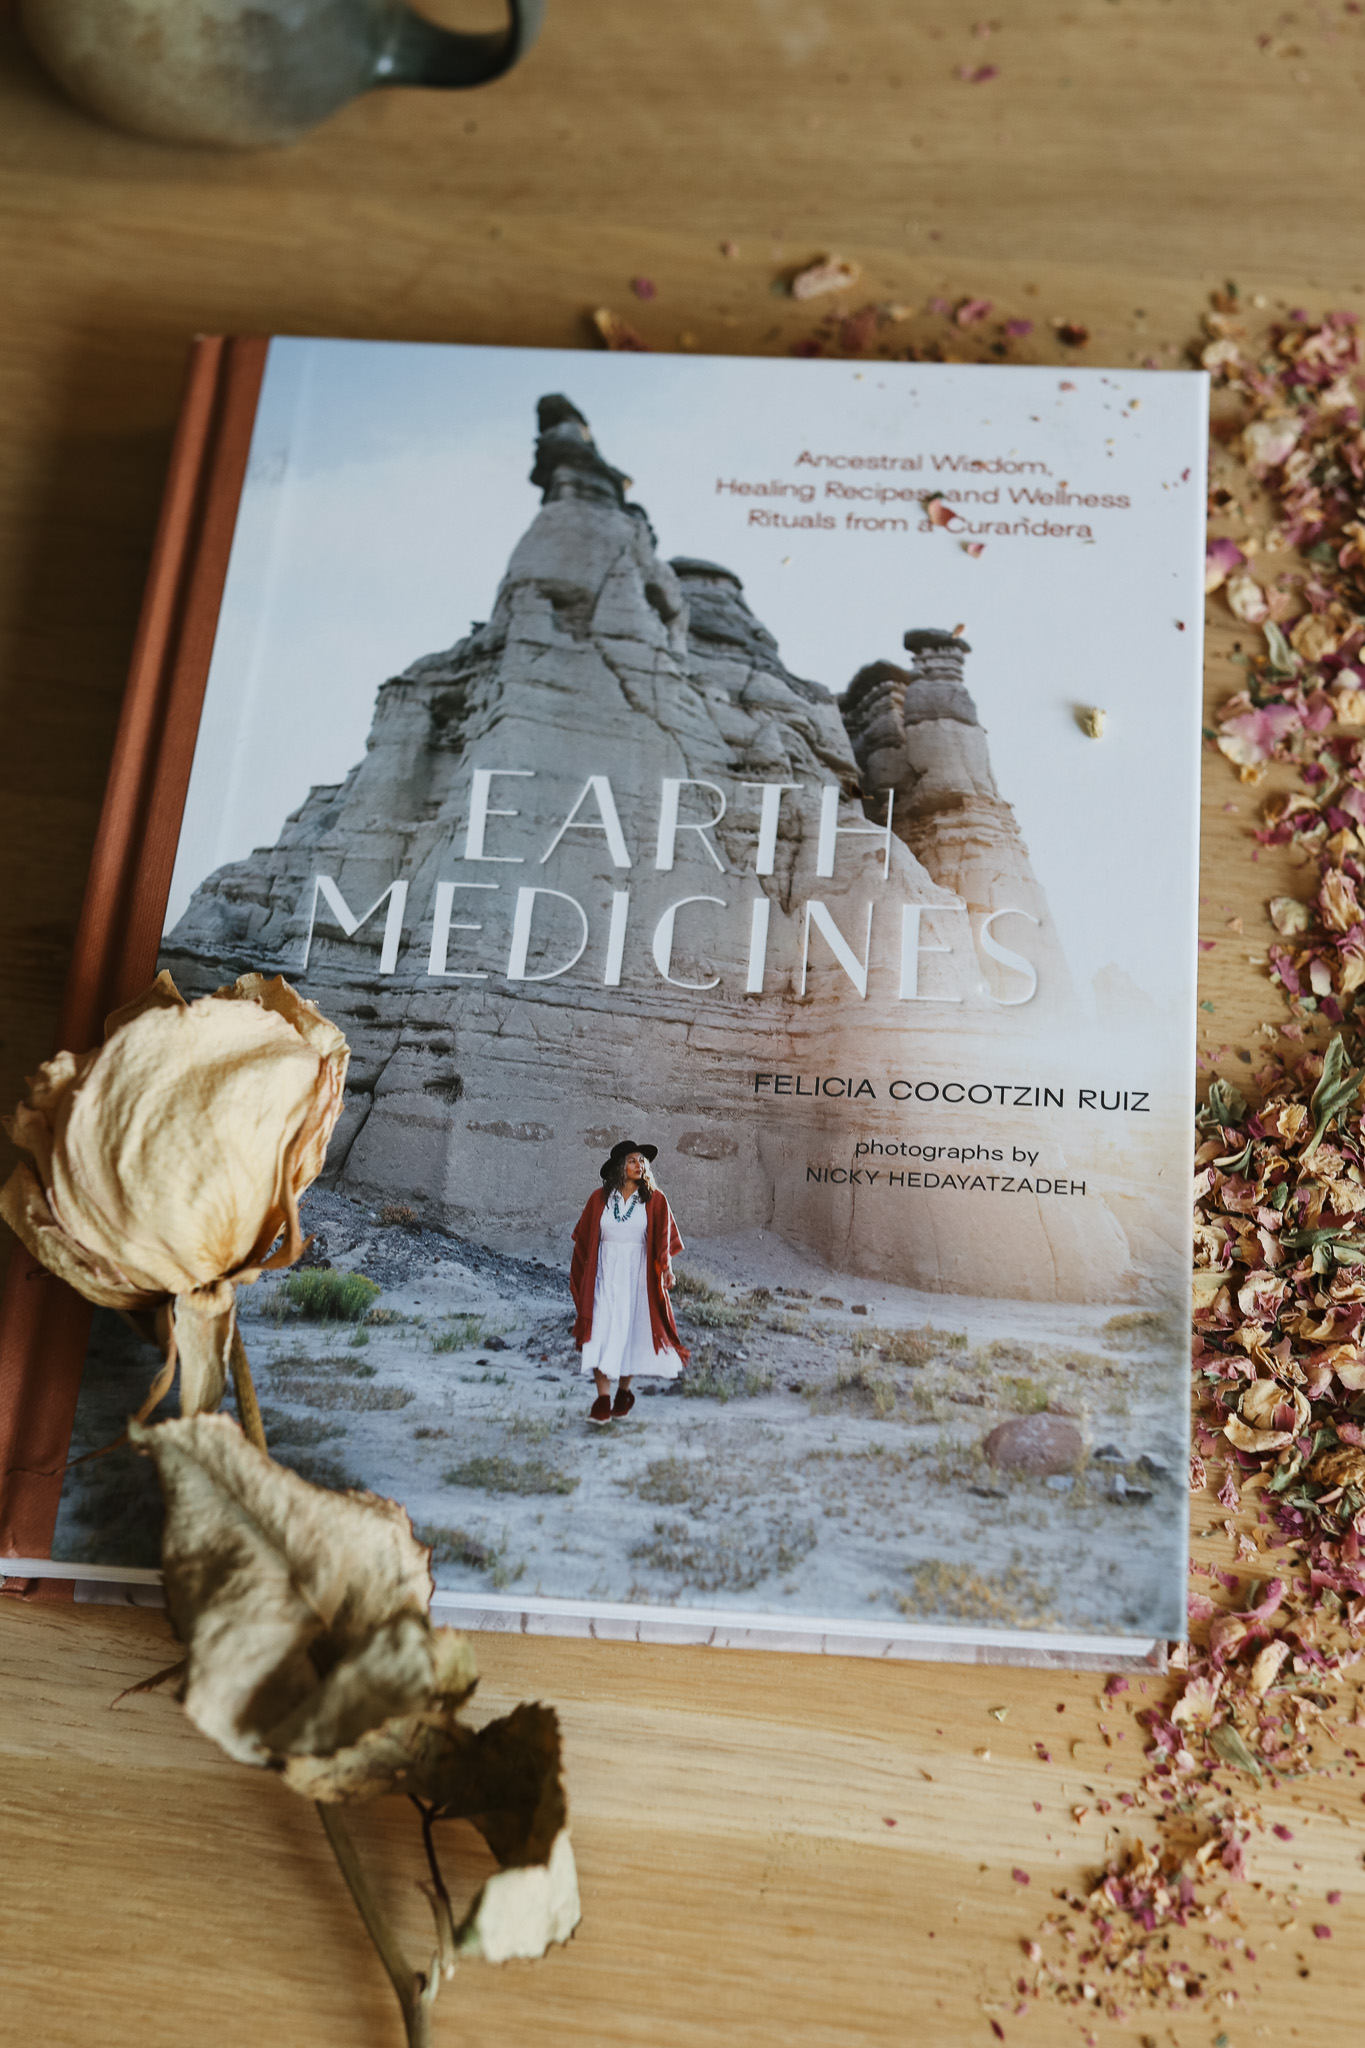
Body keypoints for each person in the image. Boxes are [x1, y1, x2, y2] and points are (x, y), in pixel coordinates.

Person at [569, 1140, 690, 1424]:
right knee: (598, 1332)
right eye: (633, 1160)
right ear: (619, 1167)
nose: (640, 1165)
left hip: (637, 1277)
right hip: (604, 1275)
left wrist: (667, 1270)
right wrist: (583, 1277)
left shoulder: (655, 1200)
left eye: (642, 1161)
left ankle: (623, 1392)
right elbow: (584, 1241)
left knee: (629, 1334)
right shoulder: (599, 1199)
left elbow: (661, 1241)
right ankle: (602, 1400)